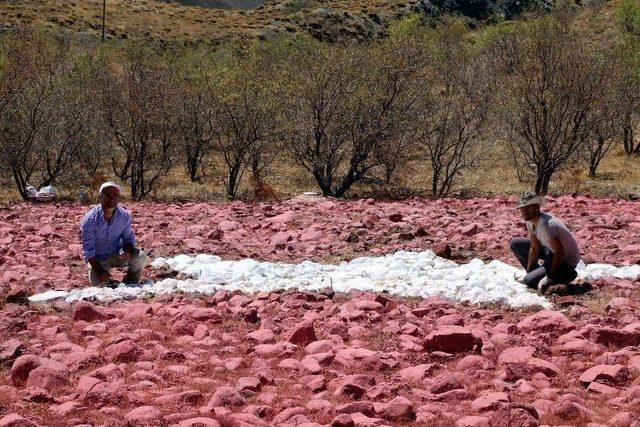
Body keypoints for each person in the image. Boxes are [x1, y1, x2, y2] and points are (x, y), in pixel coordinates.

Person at [80, 181, 149, 287]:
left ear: (118, 198)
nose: (111, 198)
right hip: (98, 259)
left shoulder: (124, 216)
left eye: (115, 195)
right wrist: (100, 272)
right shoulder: (89, 220)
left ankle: (130, 281)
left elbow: (128, 239)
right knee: (99, 284)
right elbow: (88, 252)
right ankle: (108, 280)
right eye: (107, 195)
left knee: (140, 257)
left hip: (117, 255)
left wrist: (129, 251)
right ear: (100, 197)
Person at [509, 191, 581, 293]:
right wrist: (529, 270)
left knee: (529, 281)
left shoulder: (547, 225)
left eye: (528, 207)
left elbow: (560, 253)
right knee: (515, 244)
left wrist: (549, 277)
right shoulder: (530, 221)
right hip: (550, 253)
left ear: (537, 207)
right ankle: (537, 273)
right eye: (522, 208)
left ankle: (564, 274)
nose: (524, 211)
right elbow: (534, 247)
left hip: (566, 261)